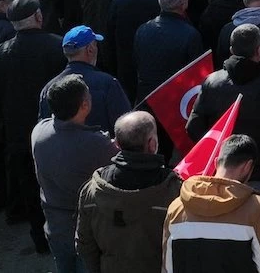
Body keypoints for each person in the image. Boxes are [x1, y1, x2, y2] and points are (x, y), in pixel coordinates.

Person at [0, 0, 67, 251]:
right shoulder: (57, 47)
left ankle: (40, 238)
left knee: (30, 188)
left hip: (19, 135)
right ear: (39, 17)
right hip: (55, 131)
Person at [190, 23, 260, 208]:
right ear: (259, 51)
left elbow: (194, 127)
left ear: (231, 50)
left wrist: (218, 154)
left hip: (220, 172)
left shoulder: (211, 82)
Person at [77, 111, 185, 273]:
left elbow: (85, 244)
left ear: (117, 145)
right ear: (152, 143)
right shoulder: (174, 191)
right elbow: (182, 246)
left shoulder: (91, 191)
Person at [32, 76, 118, 273]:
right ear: (85, 104)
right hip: (86, 232)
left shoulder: (38, 132)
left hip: (55, 228)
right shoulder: (97, 144)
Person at [161, 134, 260, 273]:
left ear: (216, 162)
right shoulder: (257, 209)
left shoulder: (176, 208)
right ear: (248, 166)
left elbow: (168, 266)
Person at [40, 26, 131, 133]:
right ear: (90, 49)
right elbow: (126, 126)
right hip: (102, 148)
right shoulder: (108, 84)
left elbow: (44, 128)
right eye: (96, 45)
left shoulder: (49, 88)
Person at [133, 0, 204, 102]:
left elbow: (137, 62)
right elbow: (196, 73)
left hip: (147, 97)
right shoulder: (190, 35)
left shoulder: (142, 29)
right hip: (175, 99)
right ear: (183, 4)